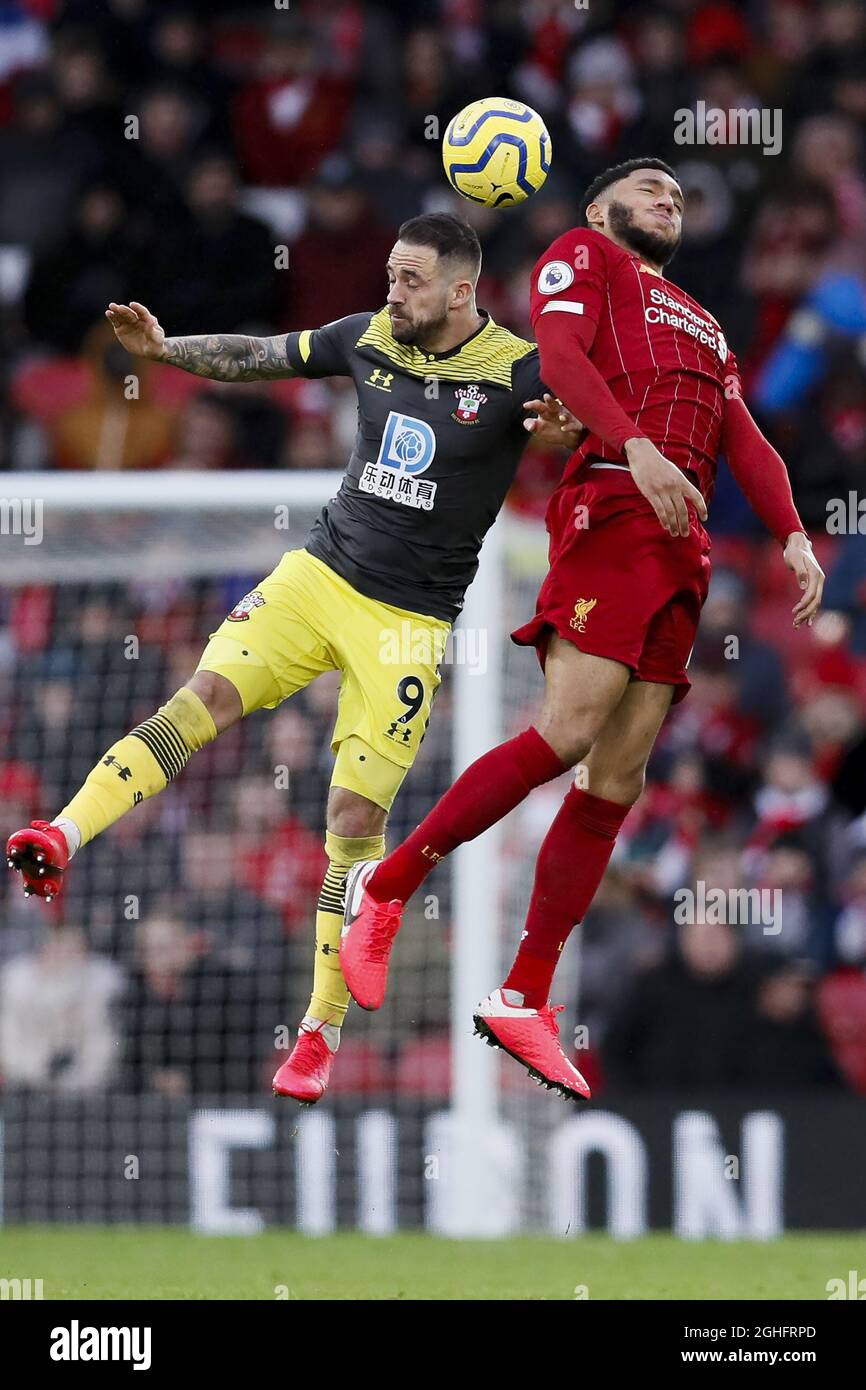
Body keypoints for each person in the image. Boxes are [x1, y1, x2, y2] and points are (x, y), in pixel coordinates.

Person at [6, 212, 580, 1105]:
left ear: (462, 291)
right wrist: (165, 349)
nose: (393, 290)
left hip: (408, 621)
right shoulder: (368, 338)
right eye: (390, 272)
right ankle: (62, 834)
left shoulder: (516, 370)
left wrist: (563, 430)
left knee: (352, 814)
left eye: (412, 279)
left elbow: (576, 424)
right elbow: (260, 355)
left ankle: (317, 1033)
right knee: (201, 699)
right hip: (317, 576)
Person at [340, 159, 825, 1101]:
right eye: (653, 190)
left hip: (682, 542)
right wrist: (633, 445)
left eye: (679, 197)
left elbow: (744, 435)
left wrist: (797, 534)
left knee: (621, 774)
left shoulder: (705, 321)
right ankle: (388, 886)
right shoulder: (583, 254)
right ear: (604, 208)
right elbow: (560, 360)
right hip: (616, 506)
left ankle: (524, 995)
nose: (670, 202)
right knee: (567, 731)